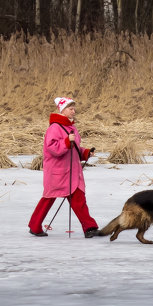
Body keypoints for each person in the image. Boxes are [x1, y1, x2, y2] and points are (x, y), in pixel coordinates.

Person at [28, 97, 101, 238]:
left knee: (79, 199)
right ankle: (35, 226)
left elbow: (74, 148)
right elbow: (53, 149)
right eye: (70, 109)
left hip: (72, 172)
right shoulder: (54, 128)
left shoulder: (71, 127)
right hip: (58, 172)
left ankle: (90, 227)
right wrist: (67, 141)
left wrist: (85, 152)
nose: (74, 111)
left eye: (74, 109)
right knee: (48, 199)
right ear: (62, 110)